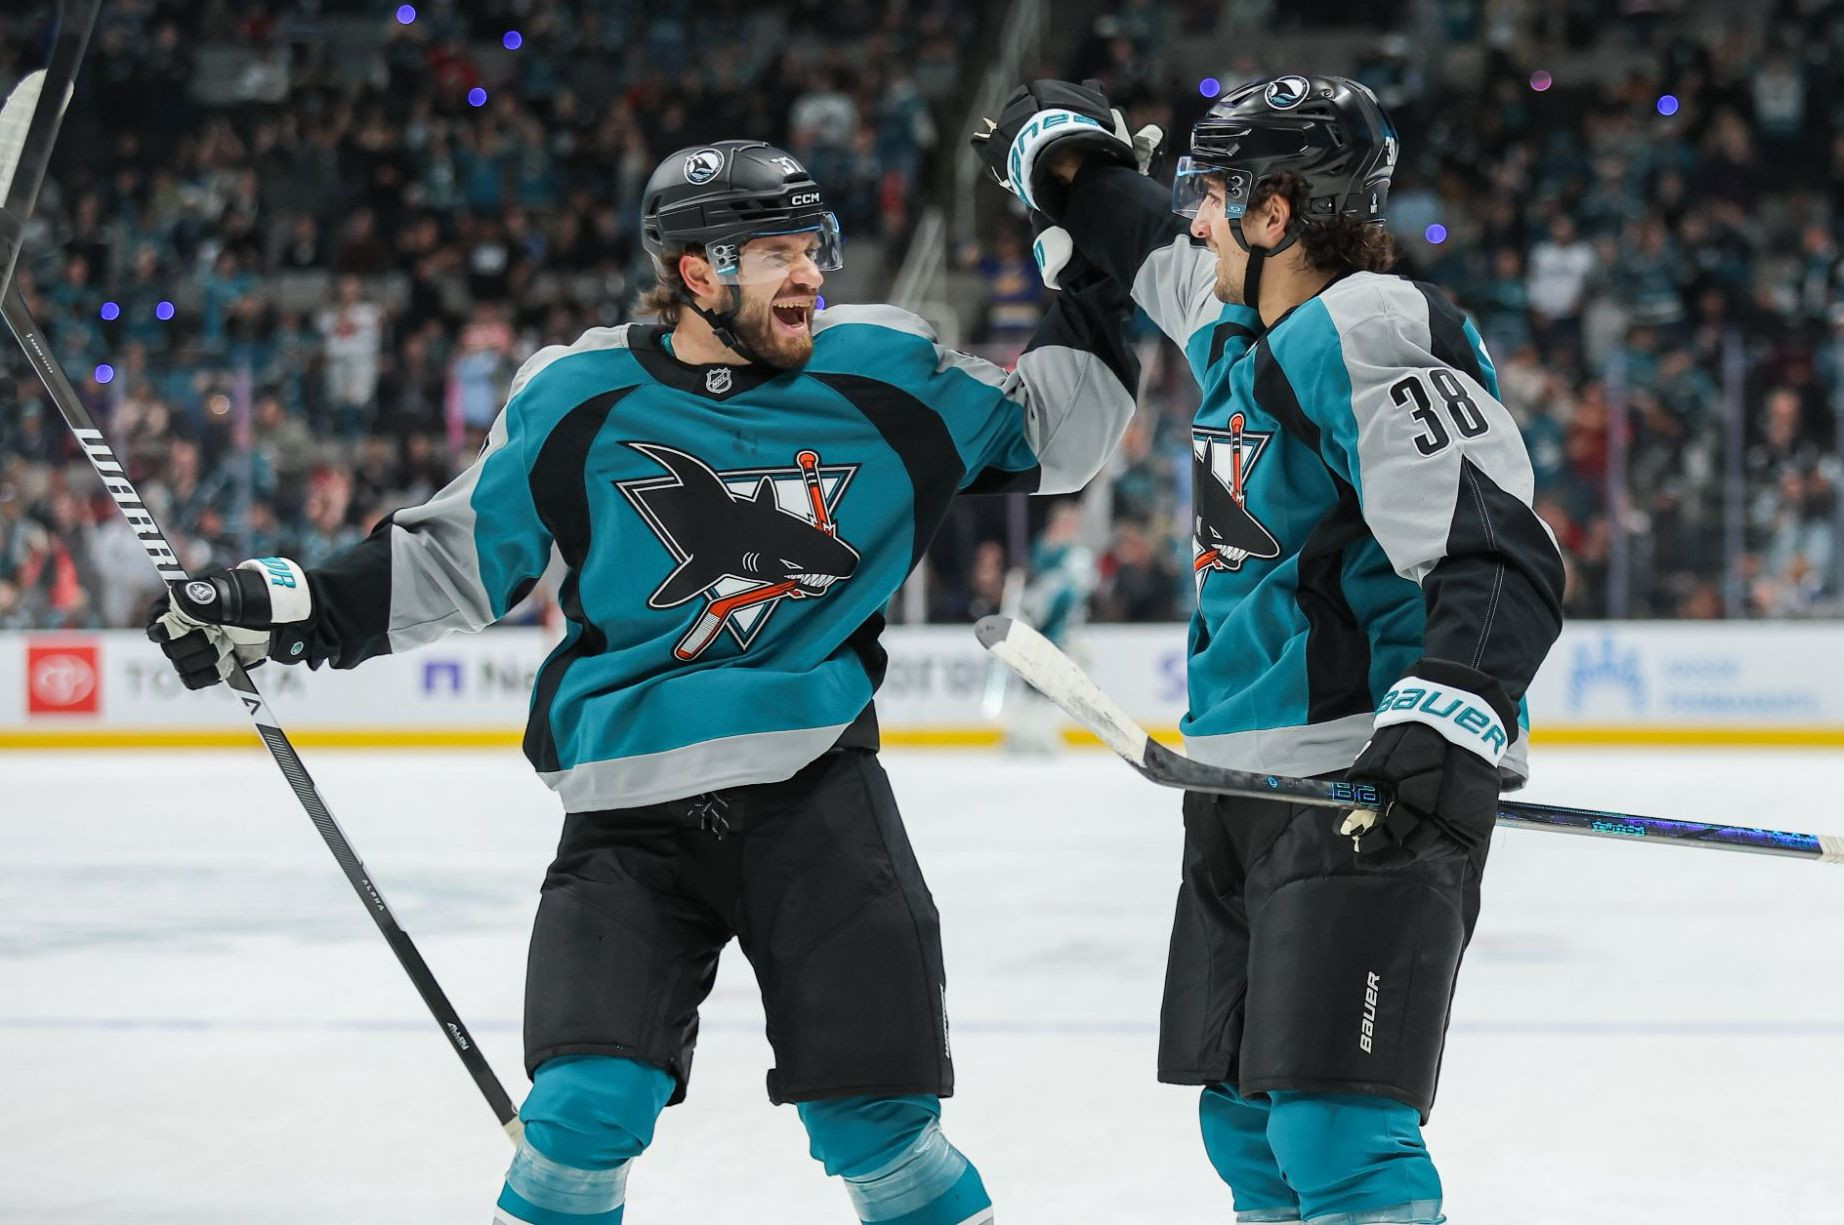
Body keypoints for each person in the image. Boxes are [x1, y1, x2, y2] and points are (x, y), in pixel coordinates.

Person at [145, 140, 1142, 1225]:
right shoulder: (576, 394)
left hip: (815, 796)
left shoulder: (884, 370)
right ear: (699, 273)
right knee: (579, 1118)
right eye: (777, 253)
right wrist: (278, 603)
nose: (811, 273)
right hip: (627, 815)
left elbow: (1061, 436)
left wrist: (1091, 250)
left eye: (812, 246)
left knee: (878, 1126)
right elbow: (453, 557)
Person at [976, 78, 1566, 1224]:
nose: (1194, 217)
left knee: (1335, 1132)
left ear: (1275, 211)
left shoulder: (1367, 327)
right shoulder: (1238, 319)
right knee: (1246, 1128)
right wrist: (1068, 170)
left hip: (1358, 781)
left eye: (1213, 195)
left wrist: (1447, 719)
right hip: (1241, 778)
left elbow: (1495, 550)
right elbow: (1142, 239)